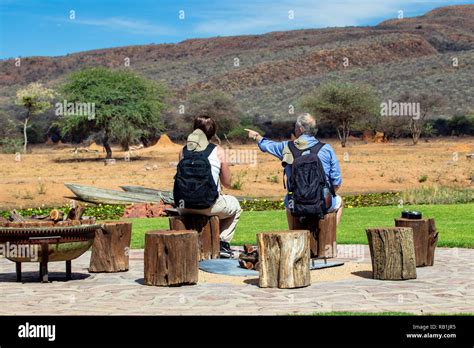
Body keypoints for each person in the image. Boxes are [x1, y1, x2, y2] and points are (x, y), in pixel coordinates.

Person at [245, 113, 343, 227]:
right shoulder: (326, 149)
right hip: (322, 203)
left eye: (296, 127)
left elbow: (267, 146)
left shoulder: (286, 147)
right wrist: (321, 196)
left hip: (296, 203)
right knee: (340, 203)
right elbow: (336, 182)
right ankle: (330, 236)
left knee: (288, 201)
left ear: (300, 129)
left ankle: (294, 234)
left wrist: (256, 136)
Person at [174, 116, 242, 258]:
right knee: (235, 206)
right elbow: (227, 183)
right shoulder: (218, 150)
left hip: (183, 206)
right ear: (213, 132)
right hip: (207, 204)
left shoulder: (183, 151)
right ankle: (222, 243)